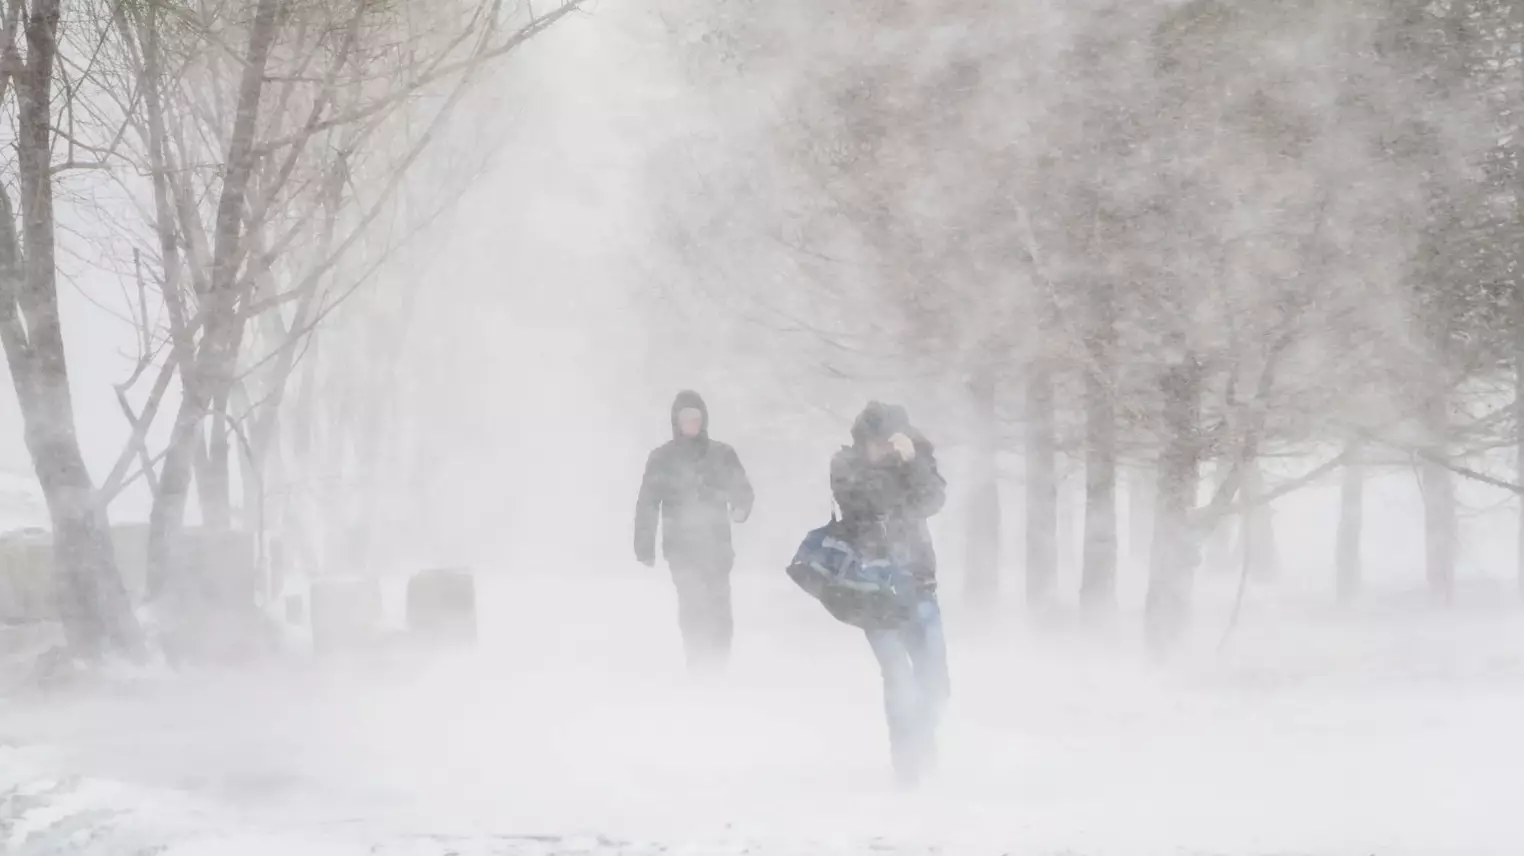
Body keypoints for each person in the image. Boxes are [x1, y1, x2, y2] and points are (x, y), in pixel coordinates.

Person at [831, 401, 948, 786]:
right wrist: (889, 467)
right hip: (874, 589)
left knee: (935, 681)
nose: (884, 447)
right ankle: (907, 765)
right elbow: (863, 505)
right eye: (877, 441)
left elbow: (932, 500)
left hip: (919, 583)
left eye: (891, 440)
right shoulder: (846, 464)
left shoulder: (915, 460)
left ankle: (923, 742)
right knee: (899, 677)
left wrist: (912, 461)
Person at [634, 390, 754, 673]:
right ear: (676, 421)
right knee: (692, 606)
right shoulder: (662, 458)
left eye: (696, 417)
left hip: (717, 547)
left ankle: (718, 665)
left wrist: (740, 507)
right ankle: (698, 666)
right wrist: (644, 547)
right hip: (681, 549)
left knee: (719, 608)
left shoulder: (722, 454)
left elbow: (742, 488)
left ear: (704, 420)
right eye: (686, 417)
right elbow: (647, 503)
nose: (691, 422)